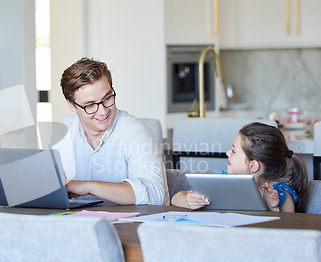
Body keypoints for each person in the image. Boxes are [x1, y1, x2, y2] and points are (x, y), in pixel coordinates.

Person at [51, 57, 168, 205]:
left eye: (107, 98)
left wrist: (87, 186)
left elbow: (155, 194)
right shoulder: (65, 130)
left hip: (127, 224)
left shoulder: (136, 133)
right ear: (72, 105)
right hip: (76, 222)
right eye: (90, 105)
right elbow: (49, 182)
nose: (103, 111)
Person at [171, 122, 309, 213]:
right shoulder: (222, 183)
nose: (227, 153)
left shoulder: (281, 195)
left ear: (253, 165)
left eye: (234, 151)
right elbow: (175, 199)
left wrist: (272, 209)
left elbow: (289, 234)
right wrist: (187, 200)